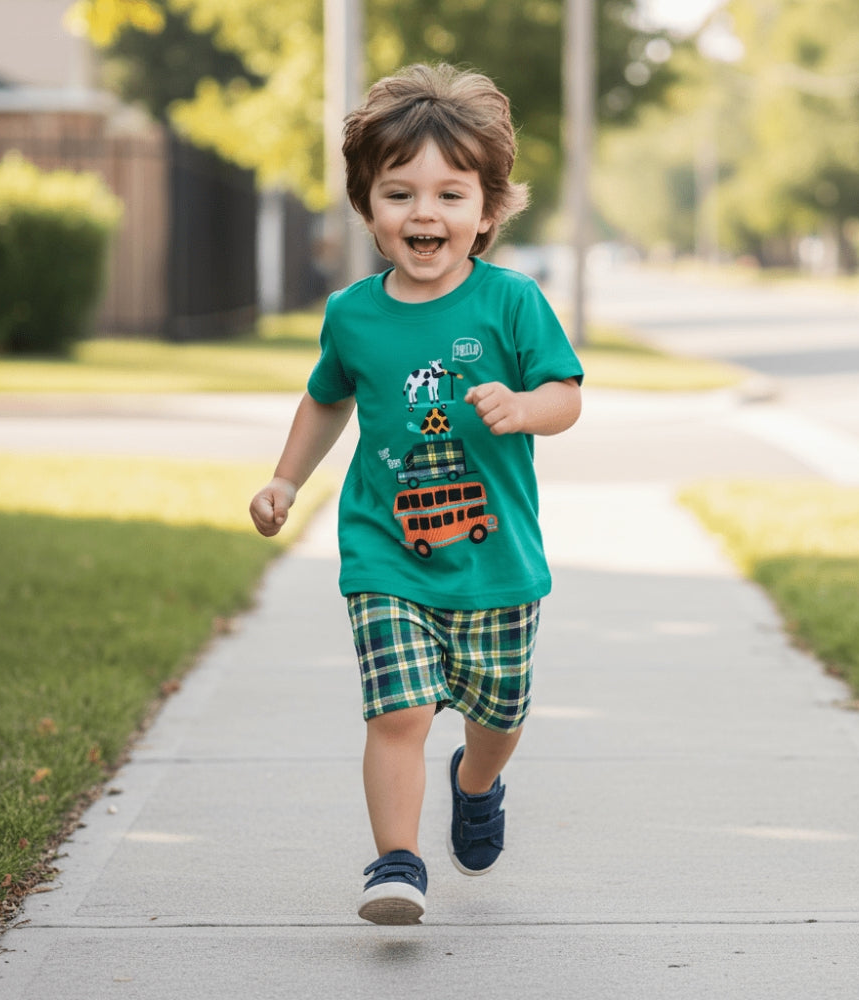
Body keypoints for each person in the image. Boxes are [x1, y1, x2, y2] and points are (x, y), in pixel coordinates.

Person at [249, 62, 582, 926]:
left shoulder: (513, 303)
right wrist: (287, 478)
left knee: (498, 712)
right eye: (398, 194)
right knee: (397, 710)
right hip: (385, 550)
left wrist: (523, 407)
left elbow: (567, 395)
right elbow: (327, 398)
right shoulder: (352, 314)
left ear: (488, 210)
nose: (424, 214)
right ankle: (396, 862)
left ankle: (477, 784)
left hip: (496, 560)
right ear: (367, 209)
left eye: (450, 194)